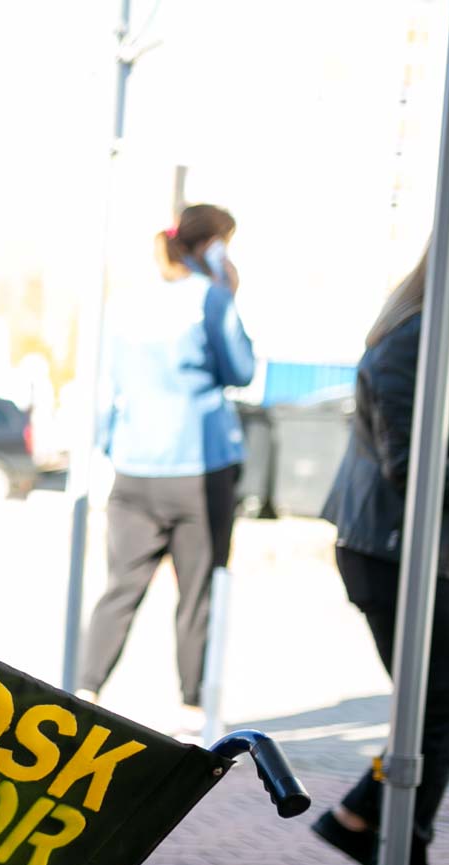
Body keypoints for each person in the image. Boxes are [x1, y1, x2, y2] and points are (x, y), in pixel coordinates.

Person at [314, 248, 449, 865]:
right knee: (443, 708)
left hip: (416, 552)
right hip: (392, 552)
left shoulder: (445, 341)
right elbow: (417, 469)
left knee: (438, 708)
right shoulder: (416, 343)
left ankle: (359, 821)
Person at [77, 204, 257, 734]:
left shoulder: (130, 305)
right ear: (214, 246)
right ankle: (192, 712)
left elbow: (114, 387)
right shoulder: (212, 298)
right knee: (196, 592)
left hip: (134, 470)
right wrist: (229, 292)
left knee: (120, 589)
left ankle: (85, 689)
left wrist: (113, 450)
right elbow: (241, 370)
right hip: (198, 470)